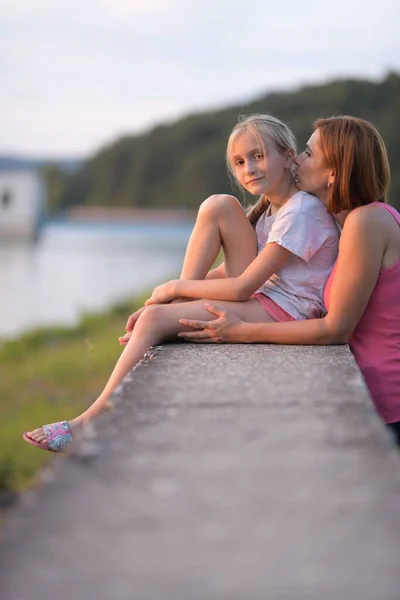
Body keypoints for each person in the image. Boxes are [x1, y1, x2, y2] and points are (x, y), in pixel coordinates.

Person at [23, 114, 339, 452]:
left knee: (161, 308)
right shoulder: (273, 210)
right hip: (269, 300)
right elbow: (227, 274)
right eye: (239, 161)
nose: (249, 168)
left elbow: (243, 287)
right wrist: (168, 301)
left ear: (289, 156)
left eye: (258, 156)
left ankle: (91, 419)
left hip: (287, 311)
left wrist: (174, 289)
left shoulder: (300, 211)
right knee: (213, 214)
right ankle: (161, 321)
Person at [178, 116, 400, 445]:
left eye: (308, 154)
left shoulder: (366, 221)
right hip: (367, 397)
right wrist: (175, 298)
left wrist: (243, 332)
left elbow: (335, 329)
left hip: (387, 404)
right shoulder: (353, 222)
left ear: (333, 173)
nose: (297, 159)